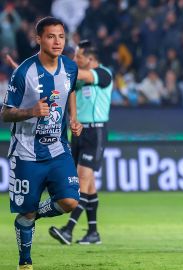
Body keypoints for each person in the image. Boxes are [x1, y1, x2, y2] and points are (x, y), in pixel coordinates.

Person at [1, 17, 82, 270]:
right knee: (24, 215)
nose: (57, 42)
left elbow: (70, 91)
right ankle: (25, 263)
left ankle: (35, 213)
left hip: (58, 148)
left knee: (69, 202)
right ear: (38, 39)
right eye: (50, 36)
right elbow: (5, 113)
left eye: (61, 36)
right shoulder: (24, 72)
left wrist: (74, 118)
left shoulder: (70, 67)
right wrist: (31, 111)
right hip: (26, 152)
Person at [49, 40, 113, 245]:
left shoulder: (103, 74)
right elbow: (69, 91)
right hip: (78, 133)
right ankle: (93, 233)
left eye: (79, 57)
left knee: (81, 180)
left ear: (91, 59)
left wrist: (56, 63)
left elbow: (77, 75)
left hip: (96, 132)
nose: (75, 60)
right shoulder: (78, 76)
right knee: (89, 185)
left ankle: (68, 230)